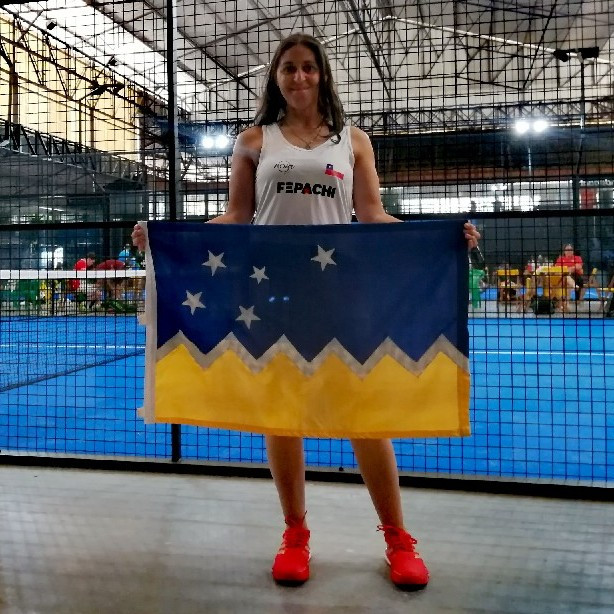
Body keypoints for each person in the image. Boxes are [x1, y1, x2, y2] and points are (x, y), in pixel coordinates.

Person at [132, 33, 480, 589]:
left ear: (322, 75)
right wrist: (165, 235)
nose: (299, 77)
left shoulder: (353, 141)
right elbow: (236, 217)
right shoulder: (253, 141)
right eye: (289, 68)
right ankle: (295, 535)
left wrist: (443, 236)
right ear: (276, 77)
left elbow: (373, 215)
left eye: (308, 67)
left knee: (364, 413)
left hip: (341, 292)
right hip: (272, 293)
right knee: (282, 412)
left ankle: (398, 538)